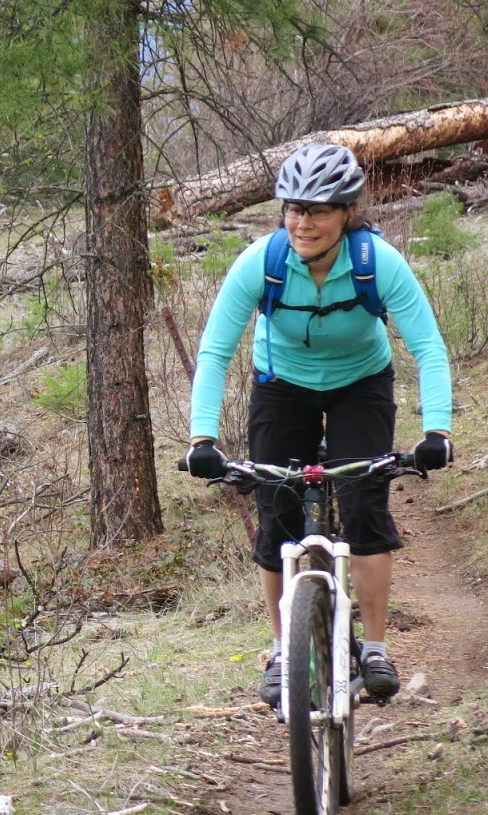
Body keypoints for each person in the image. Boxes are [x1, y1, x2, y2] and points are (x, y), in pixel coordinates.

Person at [184, 142, 453, 707]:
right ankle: (282, 649)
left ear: (347, 213)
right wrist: (202, 439)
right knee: (276, 514)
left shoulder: (377, 263)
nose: (302, 223)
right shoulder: (261, 262)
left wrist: (438, 432)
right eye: (293, 209)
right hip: (282, 386)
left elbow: (428, 347)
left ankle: (374, 648)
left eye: (318, 211)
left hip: (361, 383)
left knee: (364, 506)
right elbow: (215, 351)